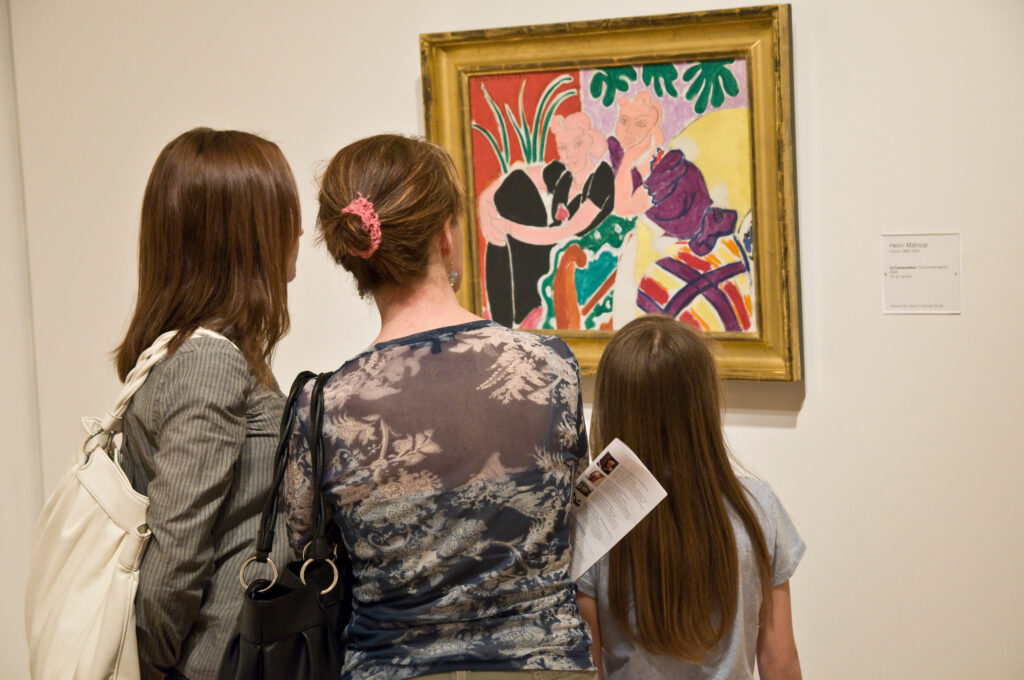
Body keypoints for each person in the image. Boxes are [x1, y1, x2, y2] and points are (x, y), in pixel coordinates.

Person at [285, 133, 596, 680]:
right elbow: (570, 505)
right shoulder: (548, 365)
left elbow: (301, 542)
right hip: (542, 667)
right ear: (445, 236)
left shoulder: (324, 406)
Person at [115, 128, 302, 680]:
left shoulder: (192, 354)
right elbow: (172, 565)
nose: (296, 232)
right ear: (246, 234)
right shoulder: (210, 363)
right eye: (282, 213)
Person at [576, 315, 804, 680]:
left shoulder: (590, 520)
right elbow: (781, 664)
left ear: (612, 404)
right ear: (704, 403)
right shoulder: (758, 507)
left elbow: (589, 671)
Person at [477, 112, 614, 327]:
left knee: (507, 229)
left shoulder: (601, 177)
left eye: (576, 145)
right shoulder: (562, 173)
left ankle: (509, 319)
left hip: (573, 254)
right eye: (562, 147)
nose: (568, 155)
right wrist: (485, 202)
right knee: (516, 182)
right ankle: (502, 323)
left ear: (588, 143)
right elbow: (515, 176)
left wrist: (510, 228)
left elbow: (567, 230)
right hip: (543, 247)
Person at [608, 90, 736, 256]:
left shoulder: (668, 167)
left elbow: (623, 208)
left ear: (652, 127)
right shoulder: (626, 161)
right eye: (624, 121)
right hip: (669, 237)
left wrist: (628, 159)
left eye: (640, 124)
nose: (629, 130)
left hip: (692, 234)